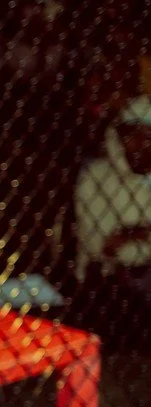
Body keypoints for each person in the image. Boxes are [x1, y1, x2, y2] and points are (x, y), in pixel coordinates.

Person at [75, 96, 151, 287]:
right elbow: (101, 246)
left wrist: (131, 234)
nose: (139, 143)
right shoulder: (96, 176)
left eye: (147, 135)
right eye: (132, 134)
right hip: (109, 281)